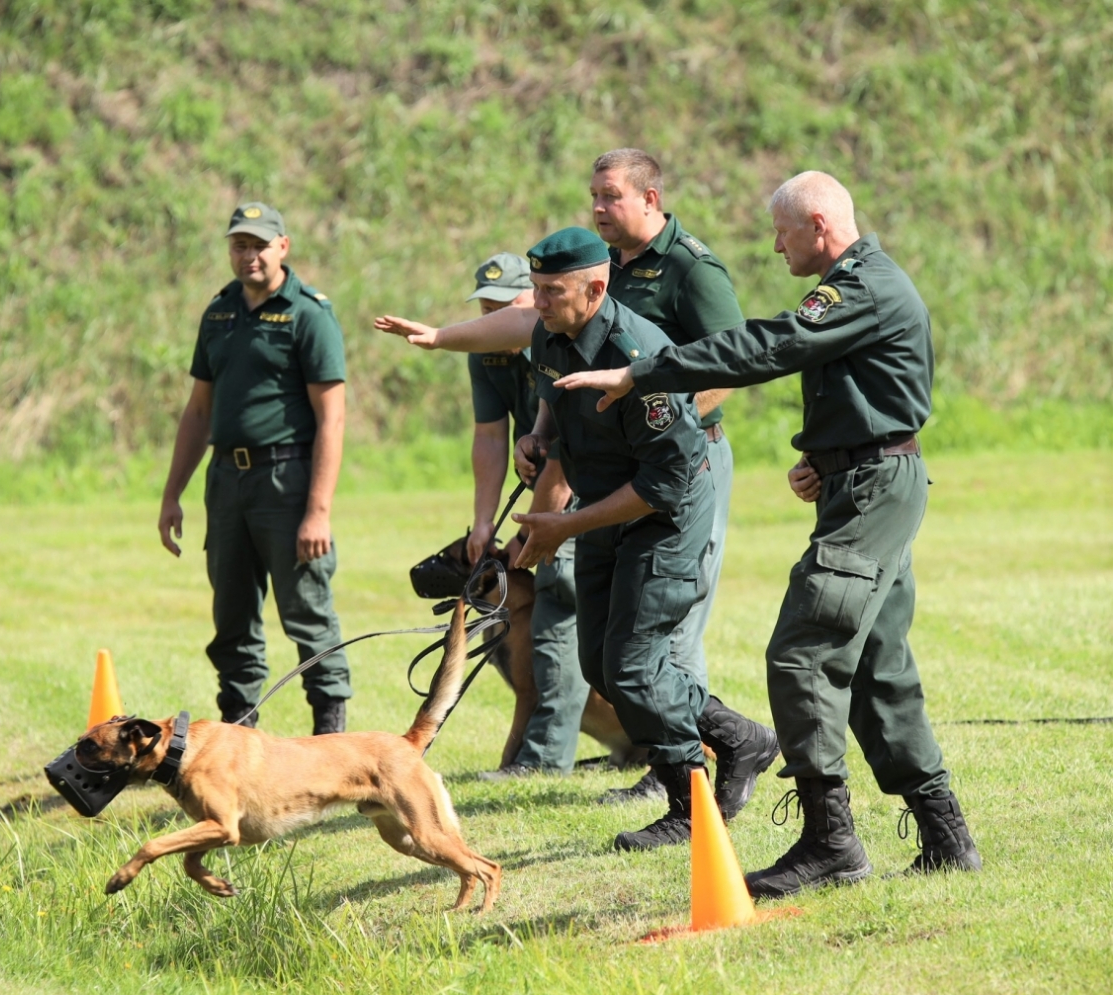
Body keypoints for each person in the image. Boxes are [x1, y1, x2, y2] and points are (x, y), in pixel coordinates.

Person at [552, 172, 982, 893]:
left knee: (802, 651)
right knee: (877, 662)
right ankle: (945, 833)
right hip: (865, 483)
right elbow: (866, 389)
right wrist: (827, 459)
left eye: (782, 231)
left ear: (817, 224)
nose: (773, 244)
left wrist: (650, 372)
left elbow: (771, 345)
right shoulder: (859, 284)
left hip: (875, 490)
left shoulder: (859, 286)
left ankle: (830, 844)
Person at [375, 228, 776, 849]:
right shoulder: (550, 332)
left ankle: (687, 798)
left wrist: (562, 526)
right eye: (533, 289)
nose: (536, 302)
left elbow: (665, 484)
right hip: (604, 508)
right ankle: (741, 737)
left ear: (595, 288)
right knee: (601, 665)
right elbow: (553, 401)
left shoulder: (641, 354)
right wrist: (537, 438)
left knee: (636, 666)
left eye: (550, 291)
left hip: (663, 516)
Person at [579, 148, 767, 804]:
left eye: (612, 197)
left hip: (688, 463)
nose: (599, 208)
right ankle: (679, 758)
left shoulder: (690, 268)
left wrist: (668, 433)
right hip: (624, 470)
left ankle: (681, 772)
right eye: (595, 197)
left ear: (651, 199)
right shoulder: (605, 269)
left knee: (669, 622)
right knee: (621, 634)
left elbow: (731, 367)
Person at [158, 203, 352, 735]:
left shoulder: (308, 314)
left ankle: (330, 738)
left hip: (285, 481)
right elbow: (199, 410)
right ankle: (238, 739)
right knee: (232, 621)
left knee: (307, 615)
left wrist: (317, 511)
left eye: (260, 245)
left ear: (283, 247)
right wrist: (172, 493)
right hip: (226, 483)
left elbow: (331, 417)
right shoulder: (219, 313)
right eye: (240, 245)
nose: (249, 256)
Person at [457, 253, 588, 780]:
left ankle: (544, 759)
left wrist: (534, 529)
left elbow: (572, 447)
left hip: (582, 480)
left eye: (500, 308)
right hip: (544, 480)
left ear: (531, 299)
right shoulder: (486, 350)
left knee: (560, 605)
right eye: (483, 309)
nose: (490, 320)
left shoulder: (559, 340)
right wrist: (484, 522)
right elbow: (490, 436)